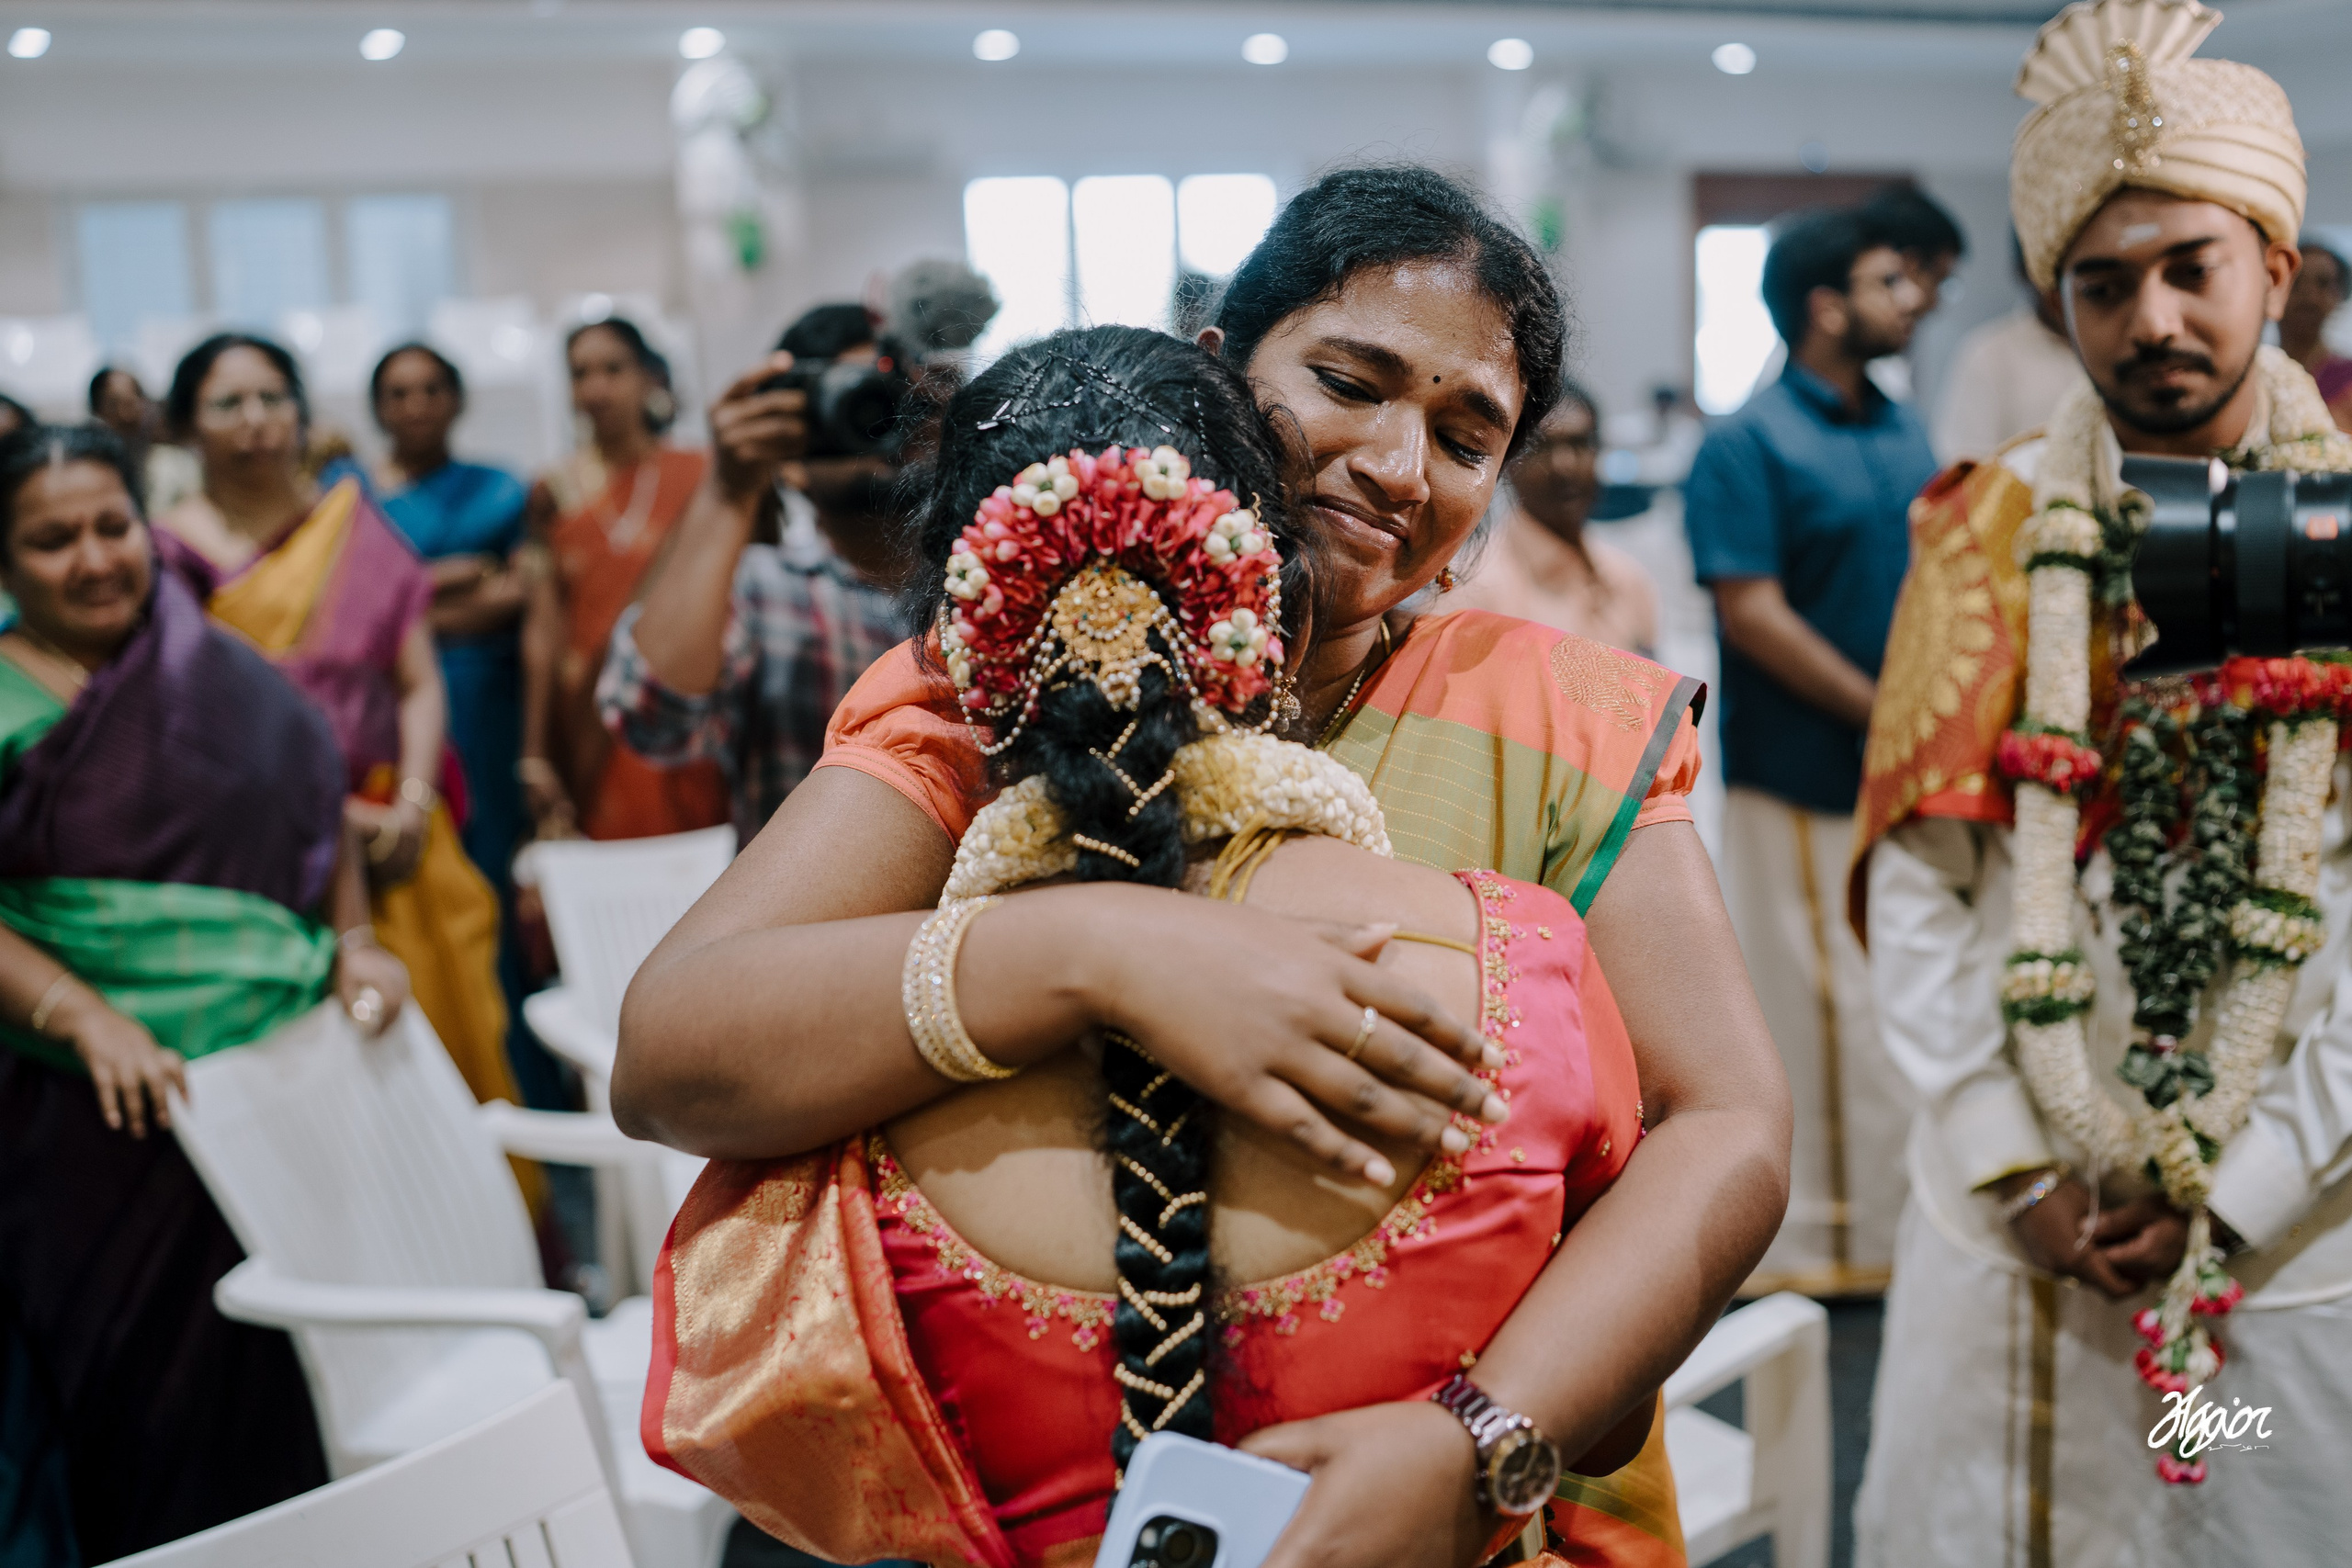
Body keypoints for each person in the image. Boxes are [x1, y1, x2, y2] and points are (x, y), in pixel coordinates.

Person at [614, 164, 1792, 1568]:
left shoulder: (1566, 715)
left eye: (1466, 436)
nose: (1398, 464)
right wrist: (1102, 951)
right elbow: (671, 1052)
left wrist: (1475, 1440)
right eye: (1349, 381)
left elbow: (1729, 1121)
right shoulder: (992, 680)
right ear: (1224, 372)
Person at [1852, 3, 2352, 1561]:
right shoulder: (1987, 524)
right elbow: (1926, 883)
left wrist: (2247, 1180)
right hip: (2012, 1212)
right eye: (2104, 282)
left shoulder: (2343, 530)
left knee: (2237, 1497)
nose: (2153, 319)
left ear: (2278, 270)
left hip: (2293, 1217)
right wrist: (2010, 1159)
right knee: (1979, 1519)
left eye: (2193, 267)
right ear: (2057, 300)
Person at [0, 424, 409, 1561]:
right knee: (135, 1397)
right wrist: (83, 1014)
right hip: (87, 1113)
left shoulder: (205, 662)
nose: (94, 558)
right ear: (4, 561)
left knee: (284, 1371)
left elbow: (318, 794)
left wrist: (356, 942)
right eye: (52, 540)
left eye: (112, 526)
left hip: (275, 1083)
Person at [152, 333, 519, 1120]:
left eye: (272, 397)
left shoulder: (349, 522)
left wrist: (414, 803)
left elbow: (417, 679)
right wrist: (333, 815)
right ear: (185, 426)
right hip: (269, 852)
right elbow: (188, 728)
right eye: (227, 403)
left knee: (449, 1051)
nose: (255, 419)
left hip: (398, 830)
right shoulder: (171, 555)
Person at [1682, 206, 1938, 1297]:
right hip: (1802, 769)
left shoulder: (1901, 427)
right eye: (1888, 281)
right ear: (1826, 306)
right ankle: (1818, 1252)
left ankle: (1895, 1229)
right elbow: (1751, 613)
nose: (1912, 299)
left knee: (1894, 1001)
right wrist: (1879, 708)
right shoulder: (1748, 442)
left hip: (1902, 769)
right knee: (1814, 1010)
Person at [599, 304, 909, 843]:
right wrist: (728, 490)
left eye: (890, 397)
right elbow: (650, 718)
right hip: (808, 896)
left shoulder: (991, 573)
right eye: (847, 398)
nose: (875, 419)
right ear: (790, 450)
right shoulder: (764, 587)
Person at [522, 317, 729, 843]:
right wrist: (534, 750)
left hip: (679, 694)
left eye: (613, 370)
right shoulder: (552, 490)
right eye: (580, 374)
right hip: (587, 710)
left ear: (649, 378)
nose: (595, 388)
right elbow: (544, 627)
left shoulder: (701, 473)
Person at [369, 344, 535, 894]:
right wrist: (451, 576)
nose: (416, 404)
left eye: (431, 389)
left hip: (487, 700)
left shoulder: (499, 489)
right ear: (377, 408)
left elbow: (517, 595)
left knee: (490, 851)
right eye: (398, 393)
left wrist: (402, 616)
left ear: (458, 400)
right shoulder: (353, 497)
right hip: (391, 702)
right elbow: (353, 608)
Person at [1447, 381, 1661, 656]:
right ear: (1509, 461)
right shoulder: (1472, 590)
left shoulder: (1628, 581)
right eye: (1541, 446)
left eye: (1579, 444)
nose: (1564, 465)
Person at [1930, 232, 2090, 462]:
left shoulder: (2118, 347)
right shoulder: (1989, 355)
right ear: (2022, 272)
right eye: (2050, 273)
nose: (2063, 289)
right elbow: (1965, 467)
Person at [2277, 234, 2352, 430]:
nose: (2309, 296)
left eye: (2323, 283)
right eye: (2296, 281)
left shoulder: (2347, 380)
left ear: (2339, 296)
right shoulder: (2249, 376)